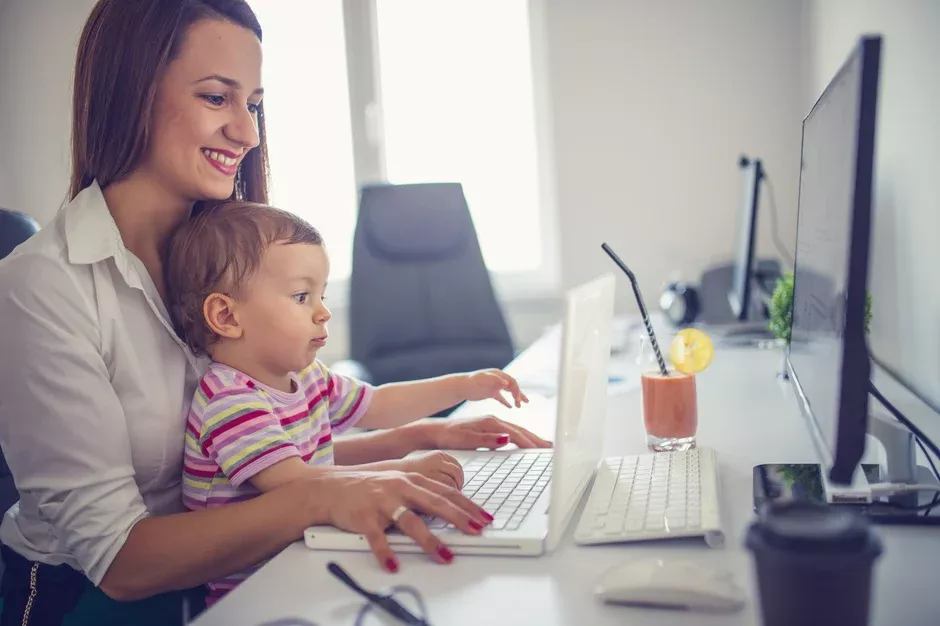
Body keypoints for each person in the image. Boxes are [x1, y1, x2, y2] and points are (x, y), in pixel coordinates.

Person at [0, 1, 547, 623]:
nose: (249, 133)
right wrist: (329, 495)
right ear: (132, 94)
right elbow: (119, 562)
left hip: (229, 574)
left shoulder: (230, 256)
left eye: (254, 105)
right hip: (89, 601)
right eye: (216, 98)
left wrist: (422, 438)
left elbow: (276, 453)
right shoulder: (41, 286)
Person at [164, 201, 538, 605]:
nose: (323, 313)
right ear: (226, 316)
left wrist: (462, 385)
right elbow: (298, 484)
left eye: (321, 295)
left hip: (309, 553)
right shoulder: (230, 400)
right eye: (302, 296)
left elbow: (379, 404)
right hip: (259, 592)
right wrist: (404, 472)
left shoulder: (307, 376)